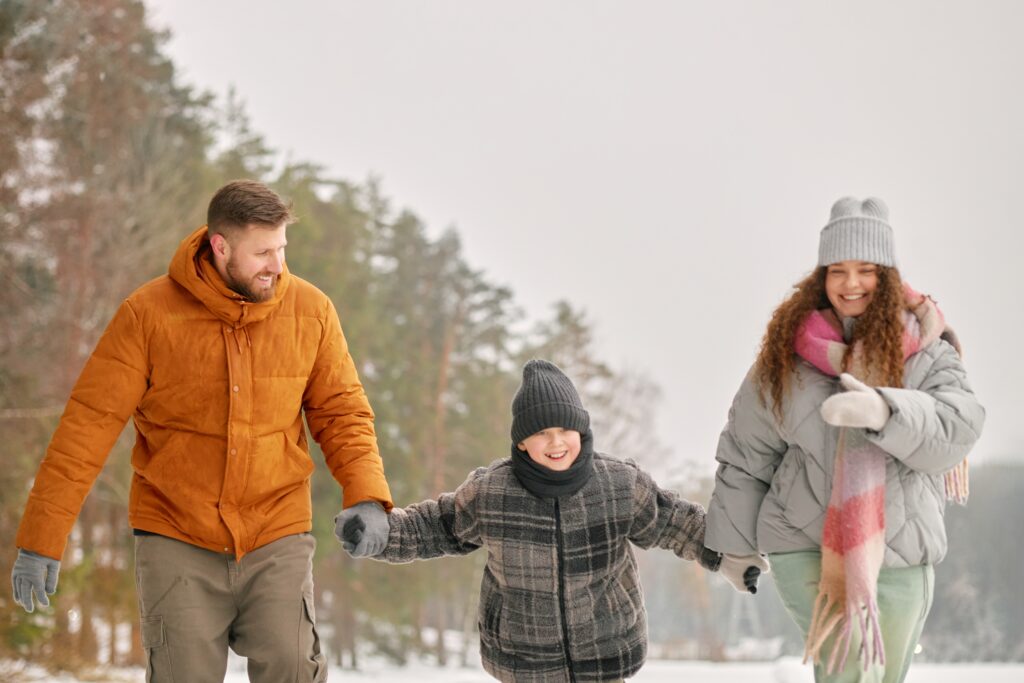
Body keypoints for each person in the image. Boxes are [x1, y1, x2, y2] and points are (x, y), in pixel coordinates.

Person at [10, 179, 394, 682]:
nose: (277, 266)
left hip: (274, 530)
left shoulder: (311, 312)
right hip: (176, 534)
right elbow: (86, 428)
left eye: (281, 249)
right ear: (220, 246)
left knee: (292, 665)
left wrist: (367, 495)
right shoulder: (147, 316)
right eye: (262, 253)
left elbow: (343, 414)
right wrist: (41, 538)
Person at [338, 359, 767, 682]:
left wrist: (725, 556)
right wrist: (385, 532)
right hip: (523, 659)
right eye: (542, 432)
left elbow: (677, 523)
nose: (556, 442)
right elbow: (437, 525)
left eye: (566, 429)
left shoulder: (618, 485)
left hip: (607, 653)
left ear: (582, 430)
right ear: (522, 441)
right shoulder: (494, 493)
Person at [705, 197, 985, 682]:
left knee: (884, 676)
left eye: (865, 270)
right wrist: (735, 546)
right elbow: (746, 456)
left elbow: (956, 428)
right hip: (805, 546)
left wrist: (885, 411)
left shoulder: (928, 354)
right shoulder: (784, 359)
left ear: (888, 276)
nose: (850, 284)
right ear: (822, 277)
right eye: (837, 270)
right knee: (849, 676)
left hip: (901, 548)